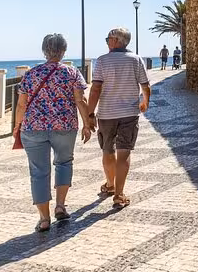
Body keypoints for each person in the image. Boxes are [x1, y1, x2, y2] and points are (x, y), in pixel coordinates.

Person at [13, 34, 93, 232]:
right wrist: (86, 123)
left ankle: (44, 219)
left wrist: (17, 125)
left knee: (38, 171)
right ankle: (60, 206)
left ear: (44, 50)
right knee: (64, 163)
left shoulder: (31, 74)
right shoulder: (71, 73)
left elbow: (21, 104)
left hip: (33, 127)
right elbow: (80, 100)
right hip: (64, 125)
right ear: (64, 50)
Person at [88, 27, 150, 209]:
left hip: (107, 114)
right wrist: (145, 102)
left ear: (116, 41)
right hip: (129, 113)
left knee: (108, 150)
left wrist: (90, 113)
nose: (107, 42)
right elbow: (145, 86)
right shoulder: (136, 60)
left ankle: (110, 185)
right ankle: (119, 194)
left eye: (108, 39)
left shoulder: (102, 61)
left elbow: (96, 89)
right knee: (124, 152)